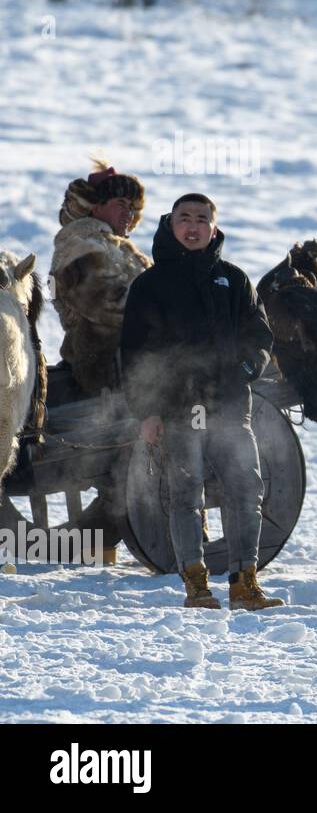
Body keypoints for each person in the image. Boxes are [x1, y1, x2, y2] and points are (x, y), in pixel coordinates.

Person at [119, 194, 282, 610]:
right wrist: (148, 412)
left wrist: (247, 368)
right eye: (184, 219)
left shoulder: (233, 279)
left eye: (202, 219)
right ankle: (196, 585)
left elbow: (259, 335)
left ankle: (245, 584)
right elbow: (135, 353)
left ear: (214, 227)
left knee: (247, 490)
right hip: (178, 409)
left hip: (230, 406)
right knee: (185, 495)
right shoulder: (150, 285)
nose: (193, 226)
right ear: (170, 225)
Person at [48, 161, 151, 562]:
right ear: (97, 207)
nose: (130, 214)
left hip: (130, 358)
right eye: (122, 203)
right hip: (105, 363)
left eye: (134, 208)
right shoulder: (81, 246)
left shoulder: (113, 244)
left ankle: (106, 532)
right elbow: (104, 305)